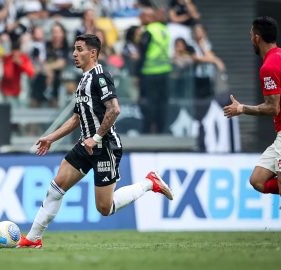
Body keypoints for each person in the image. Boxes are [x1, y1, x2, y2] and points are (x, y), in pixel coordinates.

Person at [17, 34, 173, 248]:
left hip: (105, 147)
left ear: (93, 53)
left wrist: (97, 137)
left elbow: (114, 109)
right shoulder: (83, 81)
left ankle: (149, 183)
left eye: (79, 49)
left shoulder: (100, 77)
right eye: (74, 49)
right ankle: (33, 239)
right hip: (85, 146)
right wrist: (50, 138)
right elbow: (76, 118)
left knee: (104, 208)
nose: (74, 53)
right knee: (56, 188)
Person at [224, 16, 281, 197]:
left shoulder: (269, 67)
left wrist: (242, 108)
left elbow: (273, 108)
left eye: (251, 35)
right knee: (257, 180)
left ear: (257, 38)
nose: (251, 39)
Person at [137, 8, 172, 134]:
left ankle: (147, 131)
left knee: (149, 104)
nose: (141, 18)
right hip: (165, 71)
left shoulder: (149, 30)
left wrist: (137, 74)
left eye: (144, 16)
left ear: (151, 17)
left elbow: (142, 54)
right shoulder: (165, 30)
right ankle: (162, 130)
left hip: (149, 73)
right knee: (162, 104)